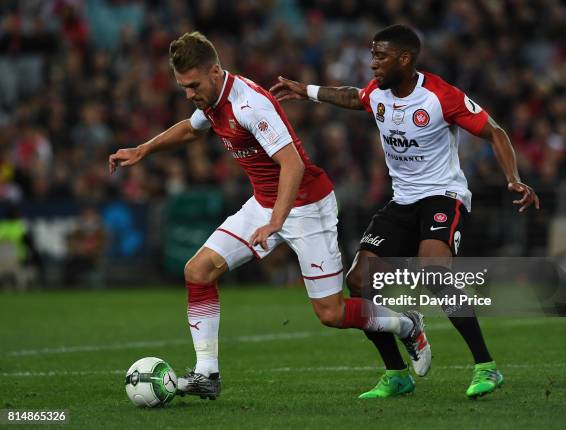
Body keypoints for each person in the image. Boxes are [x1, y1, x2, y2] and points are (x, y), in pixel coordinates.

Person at [108, 31, 431, 400]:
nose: (188, 94)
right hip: (265, 204)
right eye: (183, 87)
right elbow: (192, 129)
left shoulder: (250, 105)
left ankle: (407, 324)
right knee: (197, 271)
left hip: (308, 206)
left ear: (215, 71)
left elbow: (291, 164)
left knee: (331, 313)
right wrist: (142, 150)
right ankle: (206, 374)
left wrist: (277, 222)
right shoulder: (212, 99)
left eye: (192, 85)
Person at [271, 24, 540, 399]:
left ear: (405, 59)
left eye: (380, 57)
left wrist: (513, 178)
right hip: (402, 200)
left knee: (433, 272)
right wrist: (308, 92)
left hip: (443, 196)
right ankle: (397, 374)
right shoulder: (378, 94)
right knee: (360, 281)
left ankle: (486, 367)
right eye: (372, 56)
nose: (372, 64)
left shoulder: (440, 96)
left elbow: (494, 131)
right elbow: (354, 97)